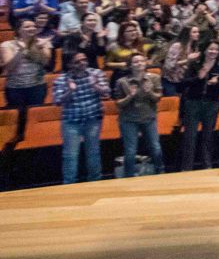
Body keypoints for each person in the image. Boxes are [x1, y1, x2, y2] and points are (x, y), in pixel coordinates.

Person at [52, 51, 109, 184]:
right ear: (70, 64)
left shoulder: (96, 73)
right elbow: (57, 101)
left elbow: (107, 93)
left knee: (93, 153)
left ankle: (95, 183)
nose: (82, 63)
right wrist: (70, 90)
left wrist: (95, 85)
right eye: (77, 62)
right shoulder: (61, 79)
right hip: (72, 122)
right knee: (70, 156)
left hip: (92, 119)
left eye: (84, 60)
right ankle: (69, 185)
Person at [180, 41, 219, 170]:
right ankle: (187, 167)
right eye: (210, 49)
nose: (213, 52)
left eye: (216, 50)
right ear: (205, 50)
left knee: (208, 136)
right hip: (193, 103)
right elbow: (183, 83)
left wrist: (217, 83)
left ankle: (207, 165)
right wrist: (199, 78)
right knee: (190, 137)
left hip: (211, 104)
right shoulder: (195, 64)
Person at [114, 53, 165, 177]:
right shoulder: (122, 82)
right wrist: (130, 96)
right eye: (135, 62)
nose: (139, 63)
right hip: (129, 119)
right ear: (130, 65)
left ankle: (161, 172)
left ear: (145, 63)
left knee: (155, 147)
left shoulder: (154, 78)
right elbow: (118, 103)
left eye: (141, 61)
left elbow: (158, 98)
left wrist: (150, 92)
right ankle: (129, 176)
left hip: (149, 117)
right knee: (130, 150)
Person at [1, 18, 53, 135]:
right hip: (15, 88)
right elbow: (9, 67)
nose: (32, 28)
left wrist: (39, 48)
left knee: (33, 117)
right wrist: (24, 50)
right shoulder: (7, 45)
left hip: (37, 86)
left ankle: (34, 139)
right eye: (27, 27)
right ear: (18, 30)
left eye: (33, 26)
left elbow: (45, 63)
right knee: (18, 119)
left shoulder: (43, 42)